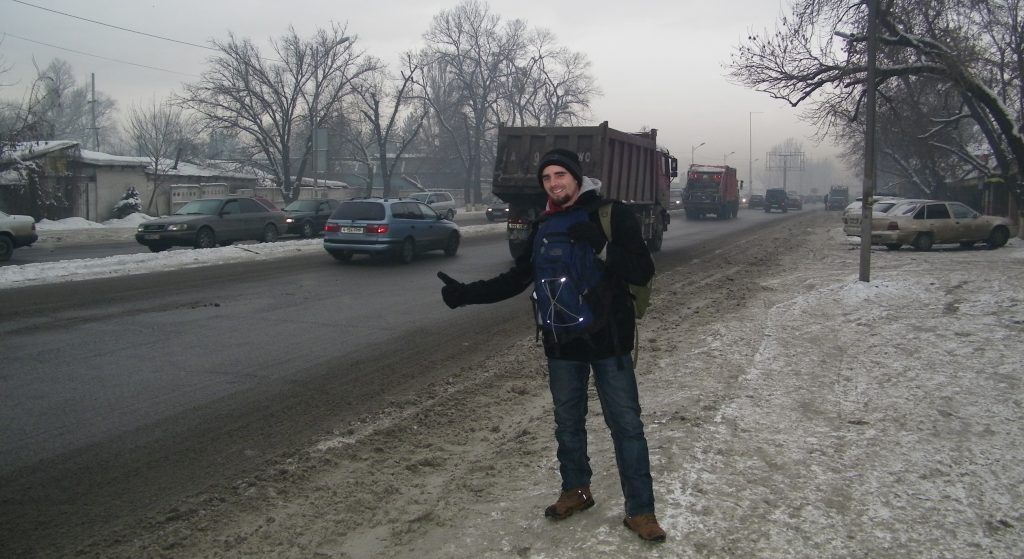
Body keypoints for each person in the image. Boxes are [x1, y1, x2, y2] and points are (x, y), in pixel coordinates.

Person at [436, 148, 666, 542]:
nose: (554, 183)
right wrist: (466, 294)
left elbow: (643, 269)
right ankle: (576, 490)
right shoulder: (544, 224)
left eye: (561, 175)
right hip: (562, 342)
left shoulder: (611, 215)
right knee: (567, 424)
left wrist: (603, 247)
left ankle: (641, 511)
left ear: (577, 177)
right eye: (547, 178)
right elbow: (517, 277)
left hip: (609, 340)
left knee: (626, 426)